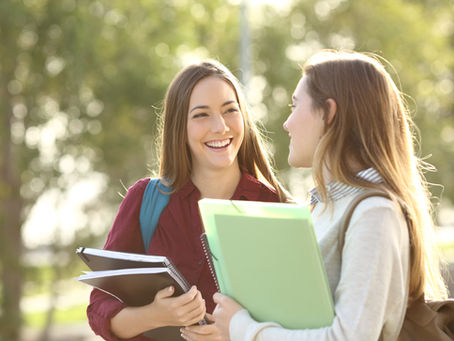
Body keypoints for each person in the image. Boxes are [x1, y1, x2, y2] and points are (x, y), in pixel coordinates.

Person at [212, 50, 448, 341]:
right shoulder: (324, 206)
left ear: (330, 113)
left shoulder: (375, 212)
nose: (287, 123)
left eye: (295, 105)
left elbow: (349, 337)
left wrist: (243, 329)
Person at [87, 59, 289, 341]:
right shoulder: (145, 200)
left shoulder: (277, 208)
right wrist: (154, 316)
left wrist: (235, 334)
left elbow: (300, 323)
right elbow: (99, 309)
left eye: (230, 110)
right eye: (201, 115)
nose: (219, 127)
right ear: (179, 127)